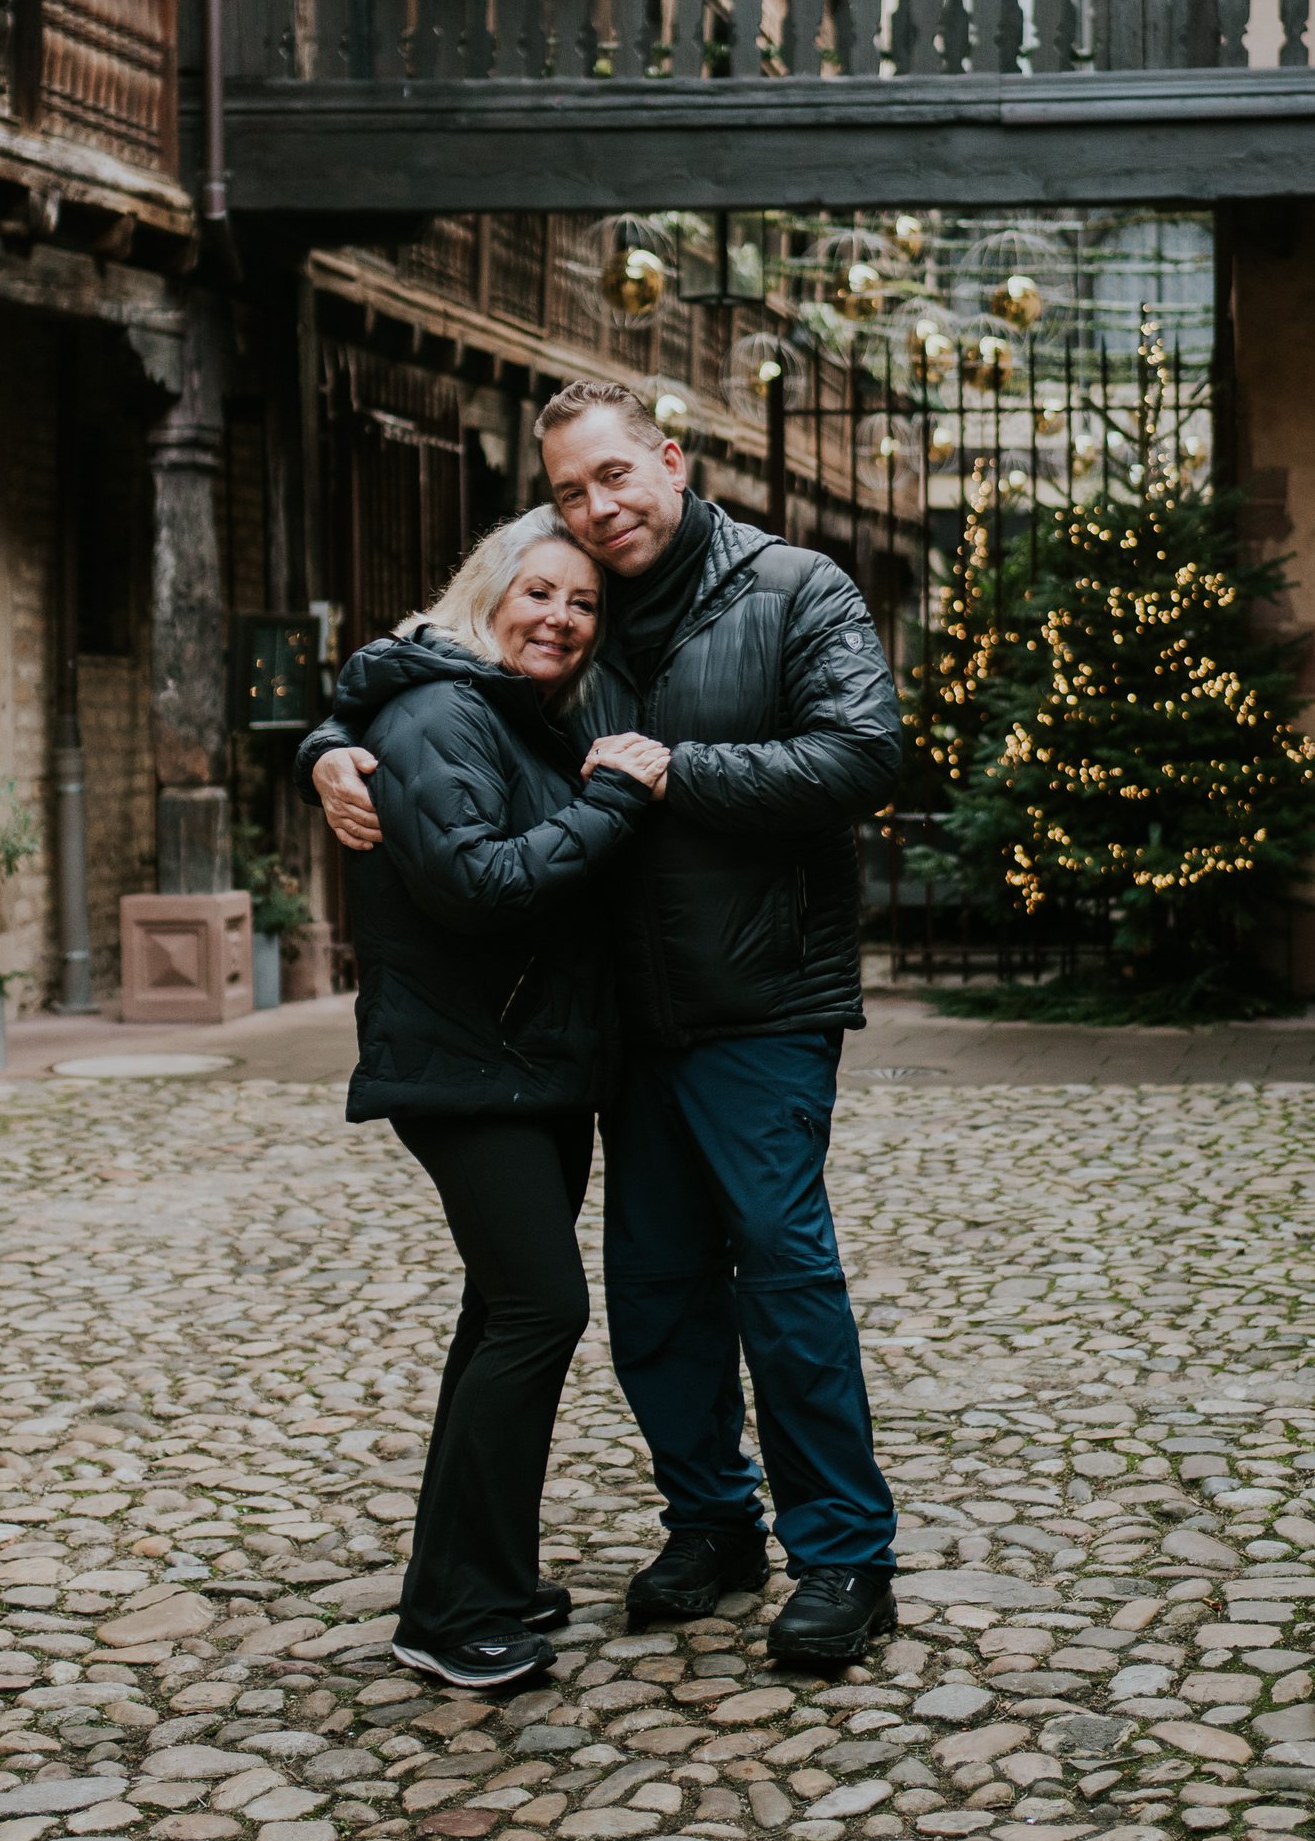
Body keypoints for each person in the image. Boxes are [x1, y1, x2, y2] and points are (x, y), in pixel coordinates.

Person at [310, 382, 905, 1670]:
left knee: (783, 1274)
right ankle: (712, 1522)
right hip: (622, 1021)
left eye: (616, 475)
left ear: (671, 460)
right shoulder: (581, 600)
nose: (599, 507)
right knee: (653, 1289)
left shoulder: (796, 587)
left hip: (760, 1000)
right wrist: (329, 742)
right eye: (572, 490)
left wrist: (676, 769)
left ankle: (846, 1553)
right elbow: (429, 666)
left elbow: (865, 753)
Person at [296, 504, 669, 1694]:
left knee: (502, 1314)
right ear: (486, 592)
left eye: (583, 602)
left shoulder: (507, 709)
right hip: (471, 1065)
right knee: (539, 1309)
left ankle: (483, 1576)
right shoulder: (444, 708)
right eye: (540, 591)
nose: (561, 617)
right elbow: (477, 882)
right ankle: (449, 1613)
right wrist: (614, 799)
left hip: (526, 1059)